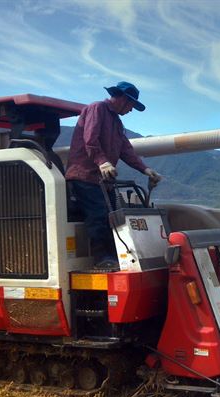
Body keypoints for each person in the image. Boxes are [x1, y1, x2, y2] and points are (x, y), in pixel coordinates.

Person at [65, 81, 162, 270]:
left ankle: (113, 257)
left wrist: (145, 169)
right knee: (98, 215)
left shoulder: (117, 123)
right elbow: (90, 139)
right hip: (84, 176)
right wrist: (103, 161)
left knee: (111, 217)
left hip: (102, 179)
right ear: (124, 100)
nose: (131, 110)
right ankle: (102, 259)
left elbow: (126, 150)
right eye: (132, 106)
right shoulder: (97, 108)